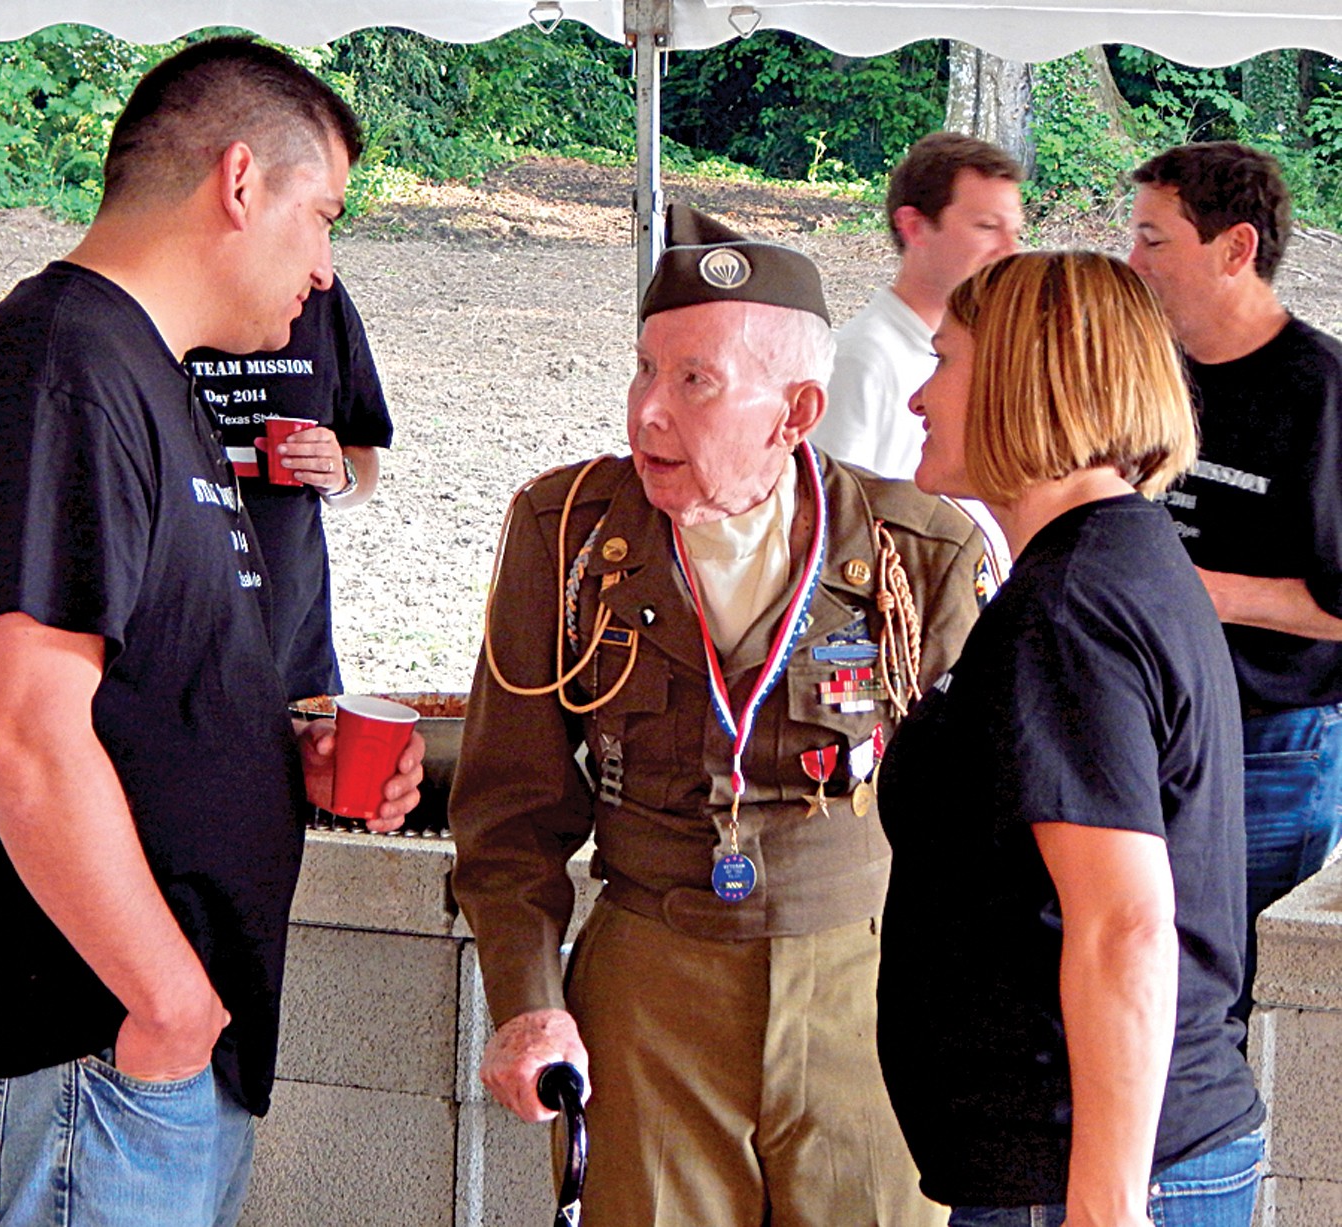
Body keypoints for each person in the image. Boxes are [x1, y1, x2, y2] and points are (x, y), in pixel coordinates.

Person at [0, 37, 424, 1227]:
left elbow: (143, 695)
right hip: (84, 1059)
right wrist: (169, 1001)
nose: (326, 269)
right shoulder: (58, 371)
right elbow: (19, 728)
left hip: (135, 1064)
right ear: (239, 183)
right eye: (321, 215)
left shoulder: (146, 377)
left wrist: (289, 761)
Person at [450, 204, 988, 1227]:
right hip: (651, 996)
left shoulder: (918, 553)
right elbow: (510, 811)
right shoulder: (566, 537)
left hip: (867, 1000)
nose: (647, 412)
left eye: (694, 382)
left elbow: (978, 833)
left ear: (795, 415)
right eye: (645, 370)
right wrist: (527, 999)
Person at [877, 251, 1266, 1227]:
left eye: (948, 362)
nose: (920, 396)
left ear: (1024, 376)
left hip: (1085, 1175)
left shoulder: (1067, 611)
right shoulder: (1114, 562)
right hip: (1107, 1155)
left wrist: (1104, 1206)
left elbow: (1123, 925)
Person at [1129, 141, 1342, 1019]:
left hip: (1271, 749)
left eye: (1153, 239)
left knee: (1240, 1006)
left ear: (1236, 247)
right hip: (1148, 731)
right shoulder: (1149, 370)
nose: (1131, 261)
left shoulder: (1320, 389)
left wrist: (1203, 593)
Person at [187, 278, 393, 701]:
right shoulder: (160, 297)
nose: (322, 266)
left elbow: (363, 460)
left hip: (293, 640)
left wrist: (340, 475)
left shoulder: (319, 299)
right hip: (177, 634)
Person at [810, 131, 1023, 480]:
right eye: (987, 227)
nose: (1010, 251)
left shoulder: (995, 355)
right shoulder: (861, 364)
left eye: (1015, 232)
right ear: (915, 227)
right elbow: (834, 514)